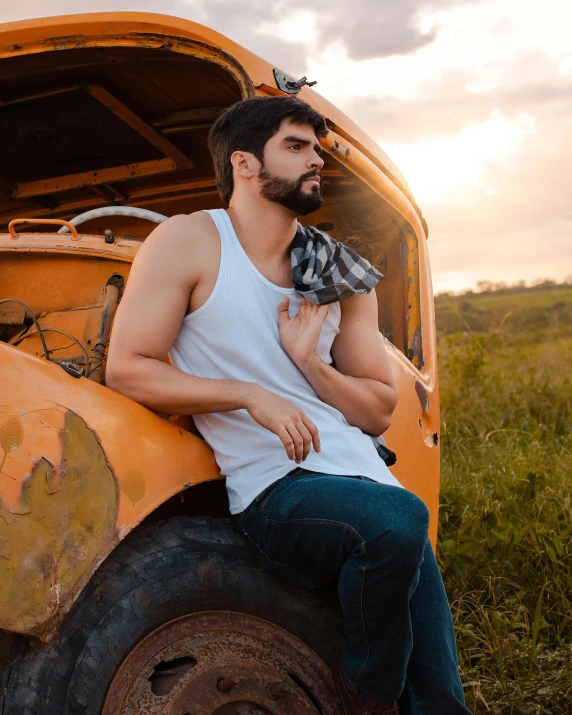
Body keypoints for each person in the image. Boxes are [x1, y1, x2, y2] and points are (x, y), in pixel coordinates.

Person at [106, 95, 472, 715]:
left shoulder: (339, 271)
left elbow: (378, 409)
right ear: (244, 164)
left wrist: (307, 364)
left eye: (316, 149)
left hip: (367, 479)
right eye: (296, 147)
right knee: (399, 522)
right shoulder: (190, 241)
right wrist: (251, 396)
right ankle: (364, 696)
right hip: (276, 485)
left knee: (441, 696)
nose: (315, 162)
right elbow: (127, 368)